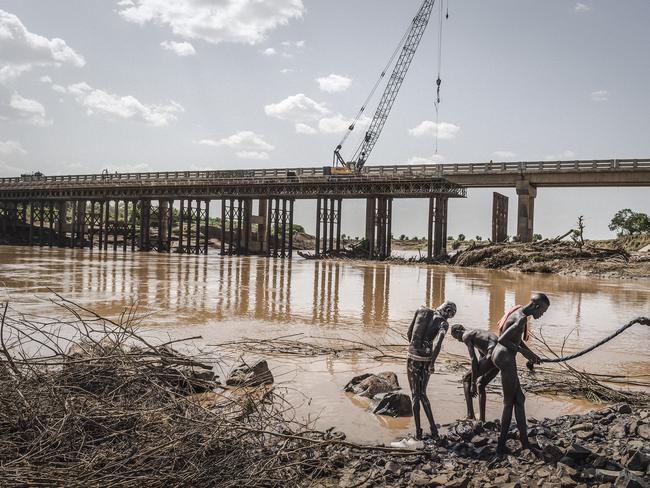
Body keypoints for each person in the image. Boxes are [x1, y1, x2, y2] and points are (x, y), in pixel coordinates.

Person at [492, 293, 549, 455]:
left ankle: (524, 442)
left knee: (520, 399)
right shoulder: (522, 319)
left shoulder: (518, 310)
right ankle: (501, 446)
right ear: (537, 306)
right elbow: (503, 339)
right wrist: (524, 353)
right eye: (543, 311)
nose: (542, 315)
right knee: (508, 402)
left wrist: (531, 353)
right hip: (505, 358)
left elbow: (515, 337)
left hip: (500, 355)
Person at [406, 300, 457, 440]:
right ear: (447, 310)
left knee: (414, 395)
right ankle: (433, 429)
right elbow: (438, 344)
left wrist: (415, 346)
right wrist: (432, 363)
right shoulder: (443, 324)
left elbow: (409, 333)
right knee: (422, 393)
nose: (449, 318)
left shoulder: (420, 310)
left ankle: (418, 432)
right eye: (450, 315)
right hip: (427, 358)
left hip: (412, 356)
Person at [450, 324, 499, 422]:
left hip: (492, 354)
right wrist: (476, 376)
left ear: (459, 331)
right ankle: (482, 419)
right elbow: (482, 356)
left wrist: (473, 383)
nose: (459, 340)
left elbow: (474, 360)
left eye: (456, 337)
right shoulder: (476, 333)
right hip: (500, 357)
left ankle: (470, 415)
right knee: (481, 385)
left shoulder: (465, 335)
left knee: (465, 379)